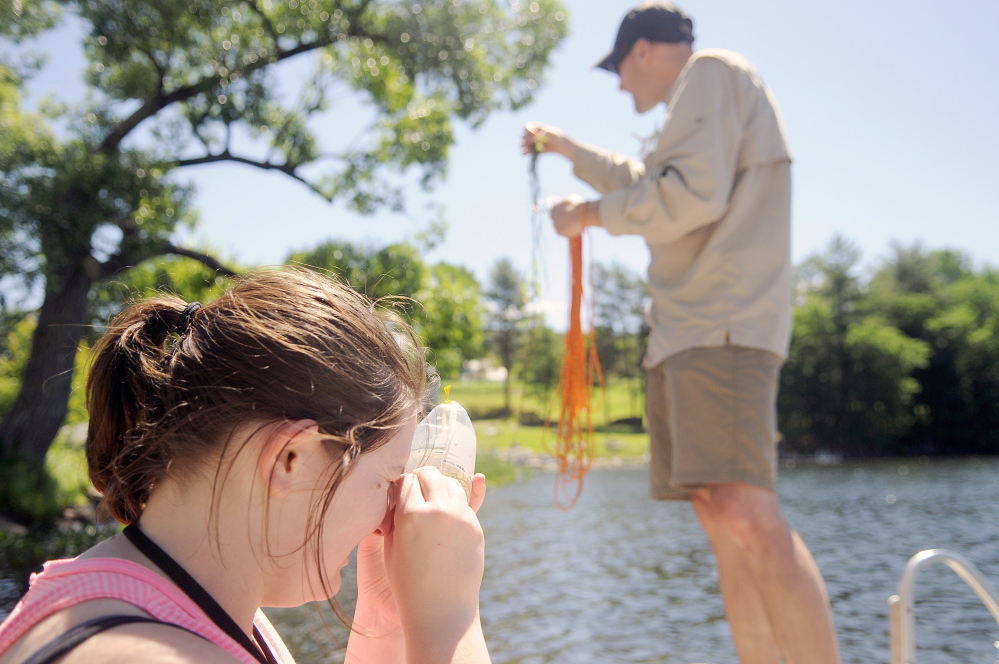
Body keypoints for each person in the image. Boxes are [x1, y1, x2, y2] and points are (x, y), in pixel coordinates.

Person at [522, 2, 840, 663]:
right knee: (718, 514)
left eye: (617, 68)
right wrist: (569, 153)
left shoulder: (711, 74)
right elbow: (653, 183)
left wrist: (589, 213)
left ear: (641, 50)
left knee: (743, 511)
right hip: (685, 332)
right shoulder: (697, 104)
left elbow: (688, 197)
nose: (618, 85)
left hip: (720, 324)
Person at [0, 269, 491, 664]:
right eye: (385, 479)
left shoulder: (184, 600)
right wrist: (450, 618)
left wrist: (387, 622)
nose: (391, 512)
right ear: (290, 459)